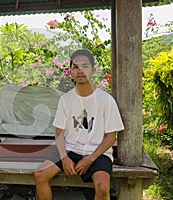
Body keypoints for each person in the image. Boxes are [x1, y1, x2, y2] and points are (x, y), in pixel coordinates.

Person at [34, 49, 124, 200]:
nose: (80, 70)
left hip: (97, 153)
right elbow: (59, 133)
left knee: (102, 187)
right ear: (70, 71)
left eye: (85, 66)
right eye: (75, 67)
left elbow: (110, 137)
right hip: (70, 150)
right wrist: (64, 158)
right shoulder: (66, 99)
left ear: (93, 70)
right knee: (40, 175)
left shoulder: (106, 100)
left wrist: (89, 160)